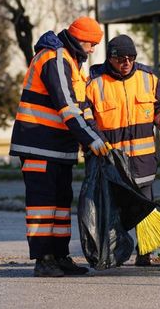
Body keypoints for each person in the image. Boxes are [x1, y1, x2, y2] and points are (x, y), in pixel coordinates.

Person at [10, 16, 111, 277]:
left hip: (59, 148)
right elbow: (66, 106)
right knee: (43, 204)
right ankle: (43, 259)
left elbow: (83, 108)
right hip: (38, 144)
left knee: (60, 202)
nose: (93, 50)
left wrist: (96, 136)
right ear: (80, 40)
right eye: (92, 45)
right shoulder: (54, 58)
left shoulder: (73, 63)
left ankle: (60, 256)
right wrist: (91, 139)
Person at [85, 34, 160, 266]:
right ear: (110, 58)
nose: (126, 62)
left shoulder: (148, 77)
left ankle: (146, 252)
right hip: (112, 165)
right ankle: (110, 254)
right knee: (111, 211)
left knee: (145, 211)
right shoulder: (93, 83)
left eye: (131, 57)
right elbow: (86, 119)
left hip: (142, 161)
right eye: (121, 58)